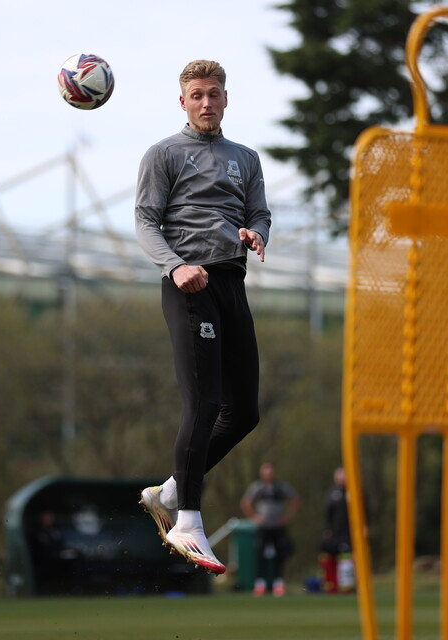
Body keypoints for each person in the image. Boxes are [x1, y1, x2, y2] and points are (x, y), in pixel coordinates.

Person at [135, 59, 271, 575]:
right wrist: (175, 267)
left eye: (214, 93)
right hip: (189, 286)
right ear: (183, 101)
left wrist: (257, 232)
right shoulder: (163, 154)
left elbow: (259, 212)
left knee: (244, 412)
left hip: (231, 283)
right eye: (197, 94)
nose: (206, 102)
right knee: (205, 400)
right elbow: (145, 222)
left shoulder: (246, 158)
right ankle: (188, 521)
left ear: (226, 99)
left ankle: (169, 490)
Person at [240, 462, 300, 596]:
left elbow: (295, 499)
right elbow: (246, 502)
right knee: (260, 554)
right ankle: (260, 584)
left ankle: (279, 584)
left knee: (280, 555)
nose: (268, 475)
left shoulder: (281, 487)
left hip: (277, 526)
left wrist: (288, 516)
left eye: (270, 472)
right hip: (263, 526)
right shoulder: (257, 487)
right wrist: (254, 517)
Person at [319, 467, 356, 593]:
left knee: (347, 559)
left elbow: (365, 511)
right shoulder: (332, 493)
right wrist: (327, 529)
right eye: (340, 476)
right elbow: (327, 513)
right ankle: (331, 585)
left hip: (350, 532)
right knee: (329, 557)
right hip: (335, 533)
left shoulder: (355, 492)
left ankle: (348, 587)